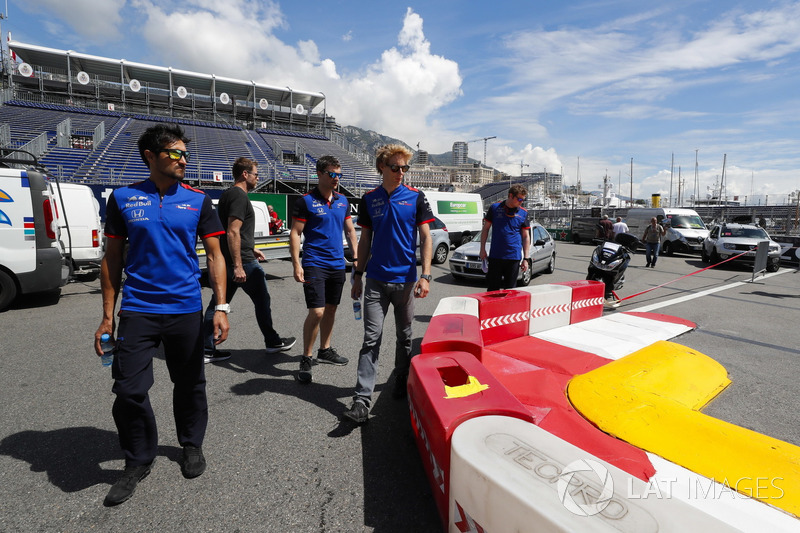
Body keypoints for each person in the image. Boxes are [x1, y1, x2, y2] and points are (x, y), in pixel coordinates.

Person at [94, 124, 229, 506]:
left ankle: (191, 444)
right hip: (138, 309)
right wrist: (107, 317)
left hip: (185, 307)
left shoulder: (199, 200)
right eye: (175, 153)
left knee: (189, 385)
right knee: (128, 390)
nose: (184, 160)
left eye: (186, 153)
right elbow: (112, 260)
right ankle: (138, 458)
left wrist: (220, 307)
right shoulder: (122, 199)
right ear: (151, 157)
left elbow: (216, 256)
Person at [344, 144, 434, 423]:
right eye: (395, 167)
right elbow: (366, 240)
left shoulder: (416, 198)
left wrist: (426, 275)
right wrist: (358, 275)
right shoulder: (370, 199)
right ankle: (362, 400)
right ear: (382, 167)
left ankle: (401, 377)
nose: (400, 173)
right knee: (371, 338)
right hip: (376, 283)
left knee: (405, 338)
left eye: (405, 168)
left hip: (406, 282)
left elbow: (426, 237)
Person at [202, 157, 295, 363]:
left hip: (237, 258)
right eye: (255, 174)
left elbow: (235, 232)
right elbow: (233, 232)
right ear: (245, 174)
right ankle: (272, 342)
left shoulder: (229, 194)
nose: (257, 177)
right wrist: (239, 265)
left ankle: (206, 349)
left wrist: (251, 248)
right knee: (262, 301)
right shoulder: (239, 196)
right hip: (241, 263)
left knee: (218, 304)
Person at [290, 155, 358, 383]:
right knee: (317, 311)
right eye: (332, 174)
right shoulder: (306, 201)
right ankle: (306, 356)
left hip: (337, 264)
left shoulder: (342, 201)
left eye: (339, 174)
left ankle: (325, 350)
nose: (336, 179)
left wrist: (356, 257)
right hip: (314, 262)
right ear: (319, 174)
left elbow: (350, 231)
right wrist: (296, 264)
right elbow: (296, 233)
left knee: (331, 309)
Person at [479, 185, 531, 292]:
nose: (521, 202)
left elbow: (526, 236)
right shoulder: (495, 208)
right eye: (519, 199)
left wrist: (526, 259)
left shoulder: (523, 212)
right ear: (511, 196)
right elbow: (485, 229)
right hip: (496, 256)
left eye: (523, 200)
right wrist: (482, 249)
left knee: (510, 290)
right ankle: (492, 309)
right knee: (493, 290)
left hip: (513, 257)